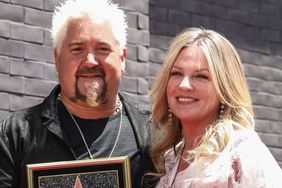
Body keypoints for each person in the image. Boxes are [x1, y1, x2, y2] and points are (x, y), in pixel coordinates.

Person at [0, 0, 154, 187]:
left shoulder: (155, 131)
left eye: (103, 49)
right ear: (57, 59)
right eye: (77, 49)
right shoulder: (14, 135)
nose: (90, 61)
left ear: (122, 58)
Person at [149, 27, 282, 187]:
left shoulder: (242, 153)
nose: (184, 85)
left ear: (224, 88)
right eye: (176, 73)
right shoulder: (171, 157)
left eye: (201, 76)